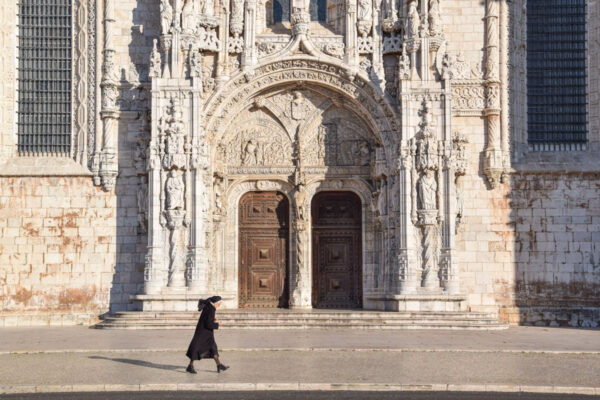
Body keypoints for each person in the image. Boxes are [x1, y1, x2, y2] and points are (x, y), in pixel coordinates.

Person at [185, 296, 229, 373]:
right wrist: (218, 324)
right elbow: (208, 324)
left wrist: (213, 319)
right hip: (203, 333)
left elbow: (207, 319)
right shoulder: (211, 309)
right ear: (215, 303)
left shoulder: (209, 307)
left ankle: (219, 365)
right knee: (196, 348)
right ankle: (190, 366)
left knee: (213, 348)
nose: (219, 305)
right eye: (219, 304)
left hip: (207, 333)